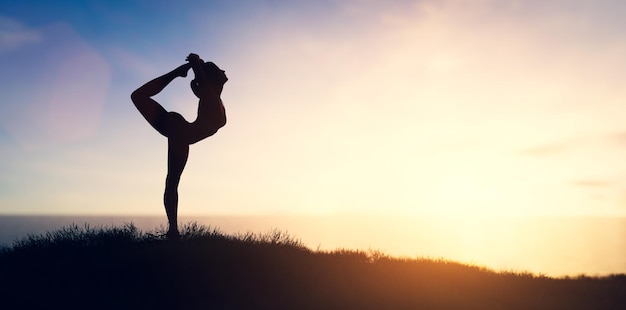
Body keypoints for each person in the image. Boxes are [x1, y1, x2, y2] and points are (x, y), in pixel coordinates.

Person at [131, 53, 228, 239]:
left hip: (181, 133)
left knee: (172, 183)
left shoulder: (213, 99)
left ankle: (173, 231)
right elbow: (201, 81)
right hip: (178, 131)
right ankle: (173, 231)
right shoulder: (210, 96)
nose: (224, 71)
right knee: (138, 96)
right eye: (218, 70)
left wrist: (196, 64)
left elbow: (200, 83)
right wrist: (195, 63)